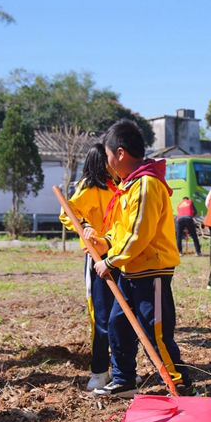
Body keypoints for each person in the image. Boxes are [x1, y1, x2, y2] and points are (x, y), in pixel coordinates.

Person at [83, 119, 192, 398]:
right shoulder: (128, 186)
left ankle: (178, 382)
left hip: (151, 271)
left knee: (155, 333)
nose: (106, 162)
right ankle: (124, 380)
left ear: (120, 153)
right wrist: (104, 243)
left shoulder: (146, 184)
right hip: (131, 270)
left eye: (108, 155)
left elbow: (139, 234)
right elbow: (122, 232)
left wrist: (109, 261)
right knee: (118, 325)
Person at [60, 143, 122, 391]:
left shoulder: (121, 184)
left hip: (120, 254)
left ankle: (122, 369)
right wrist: (85, 226)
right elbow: (67, 212)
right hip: (98, 257)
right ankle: (99, 370)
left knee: (121, 316)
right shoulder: (89, 185)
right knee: (102, 316)